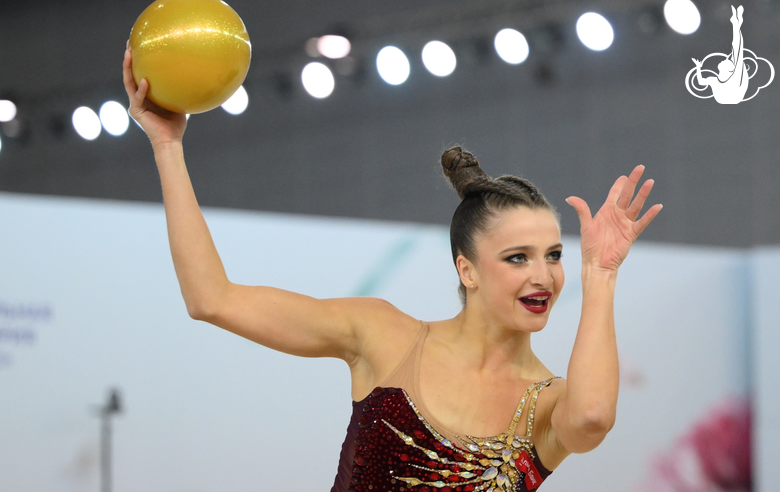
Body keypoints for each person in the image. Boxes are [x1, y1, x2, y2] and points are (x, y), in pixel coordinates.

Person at [123, 43, 662, 491]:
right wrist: (168, 147)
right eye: (516, 258)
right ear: (467, 270)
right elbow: (211, 299)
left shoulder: (546, 403)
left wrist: (601, 275)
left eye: (554, 256)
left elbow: (592, 419)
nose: (542, 275)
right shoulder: (383, 335)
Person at [692, 5, 748, 104]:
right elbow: (701, 82)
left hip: (732, 97)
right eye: (729, 60)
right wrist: (698, 67)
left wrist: (736, 25)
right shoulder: (715, 80)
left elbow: (737, 47)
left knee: (737, 51)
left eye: (728, 61)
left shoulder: (734, 78)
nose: (726, 59)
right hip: (728, 99)